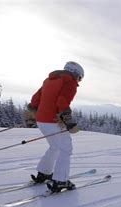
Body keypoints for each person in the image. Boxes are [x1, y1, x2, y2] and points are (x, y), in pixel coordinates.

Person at [27, 61, 84, 193]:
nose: (79, 81)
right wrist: (68, 121)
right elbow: (62, 101)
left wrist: (34, 113)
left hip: (41, 120)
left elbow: (35, 99)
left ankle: (44, 173)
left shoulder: (49, 80)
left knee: (55, 146)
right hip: (53, 121)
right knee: (66, 148)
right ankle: (60, 181)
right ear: (75, 73)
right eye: (80, 78)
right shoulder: (70, 82)